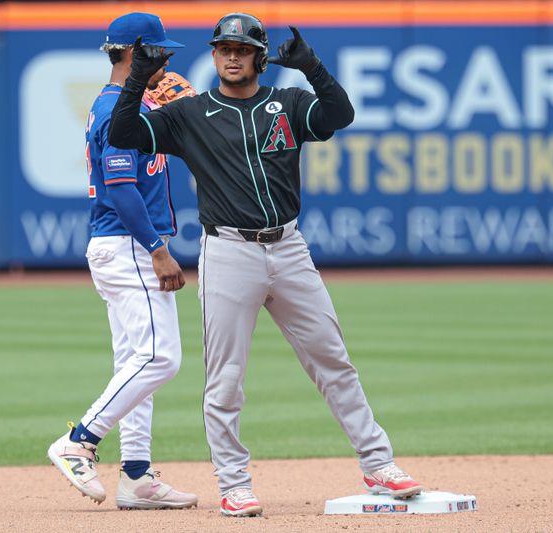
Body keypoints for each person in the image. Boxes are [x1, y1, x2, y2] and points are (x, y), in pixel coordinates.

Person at [108, 12, 422, 517]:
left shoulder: (289, 103)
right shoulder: (188, 114)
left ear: (259, 56)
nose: (232, 56)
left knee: (333, 360)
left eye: (242, 48)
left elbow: (340, 116)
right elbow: (124, 134)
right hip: (229, 251)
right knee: (226, 378)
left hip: (290, 248)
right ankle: (233, 483)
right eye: (223, 48)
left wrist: (312, 67)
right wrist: (139, 79)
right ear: (213, 56)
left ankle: (378, 463)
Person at [46, 12, 197, 510]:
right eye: (160, 51)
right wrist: (158, 250)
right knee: (160, 358)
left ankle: (136, 476)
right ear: (136, 53)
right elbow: (120, 188)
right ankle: (80, 441)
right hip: (128, 244)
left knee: (136, 361)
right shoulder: (115, 110)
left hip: (120, 244)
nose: (169, 59)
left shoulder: (129, 104)